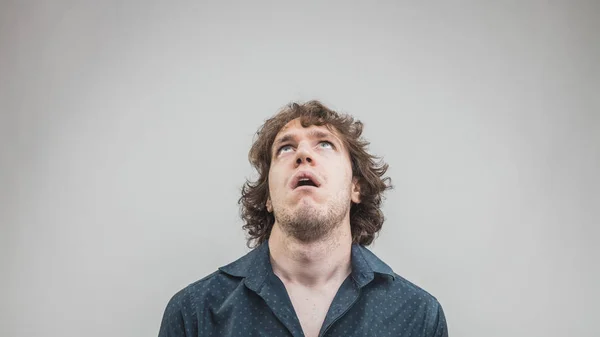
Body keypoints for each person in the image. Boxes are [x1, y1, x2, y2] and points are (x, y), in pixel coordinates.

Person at [158, 100, 448, 337]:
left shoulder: (418, 315)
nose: (303, 154)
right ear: (268, 196)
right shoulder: (193, 312)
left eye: (324, 144)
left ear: (355, 187)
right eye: (286, 148)